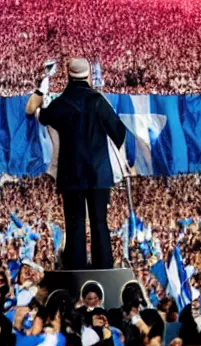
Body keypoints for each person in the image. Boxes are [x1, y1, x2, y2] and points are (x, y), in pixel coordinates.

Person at [25, 58, 126, 270]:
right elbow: (119, 132)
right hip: (99, 173)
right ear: (88, 75)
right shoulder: (99, 101)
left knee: (75, 224)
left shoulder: (62, 103)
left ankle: (76, 269)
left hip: (71, 173)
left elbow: (37, 114)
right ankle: (104, 267)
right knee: (100, 223)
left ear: (68, 76)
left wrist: (41, 88)